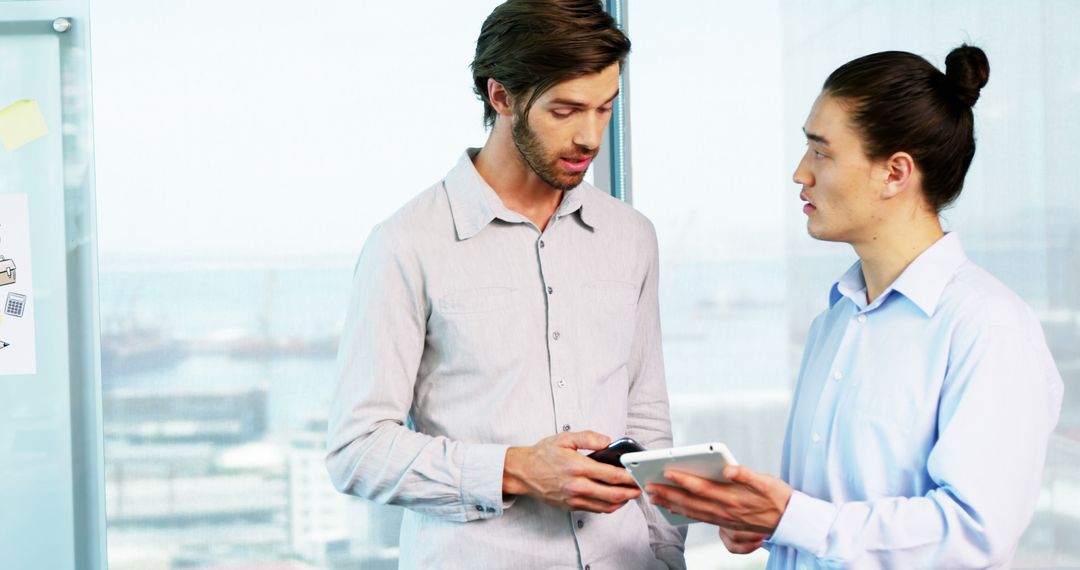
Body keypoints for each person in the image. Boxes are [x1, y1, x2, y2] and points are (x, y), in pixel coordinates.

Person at [646, 45, 1064, 569]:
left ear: (895, 173)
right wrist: (762, 524)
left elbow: (973, 533)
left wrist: (789, 518)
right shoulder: (834, 321)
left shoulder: (989, 327)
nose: (801, 173)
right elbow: (828, 522)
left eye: (821, 152)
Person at [325, 1, 685, 568]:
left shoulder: (631, 236)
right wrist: (515, 469)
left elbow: (646, 421)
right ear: (501, 96)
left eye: (605, 109)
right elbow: (356, 449)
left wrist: (666, 556)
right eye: (565, 111)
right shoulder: (406, 243)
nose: (590, 137)